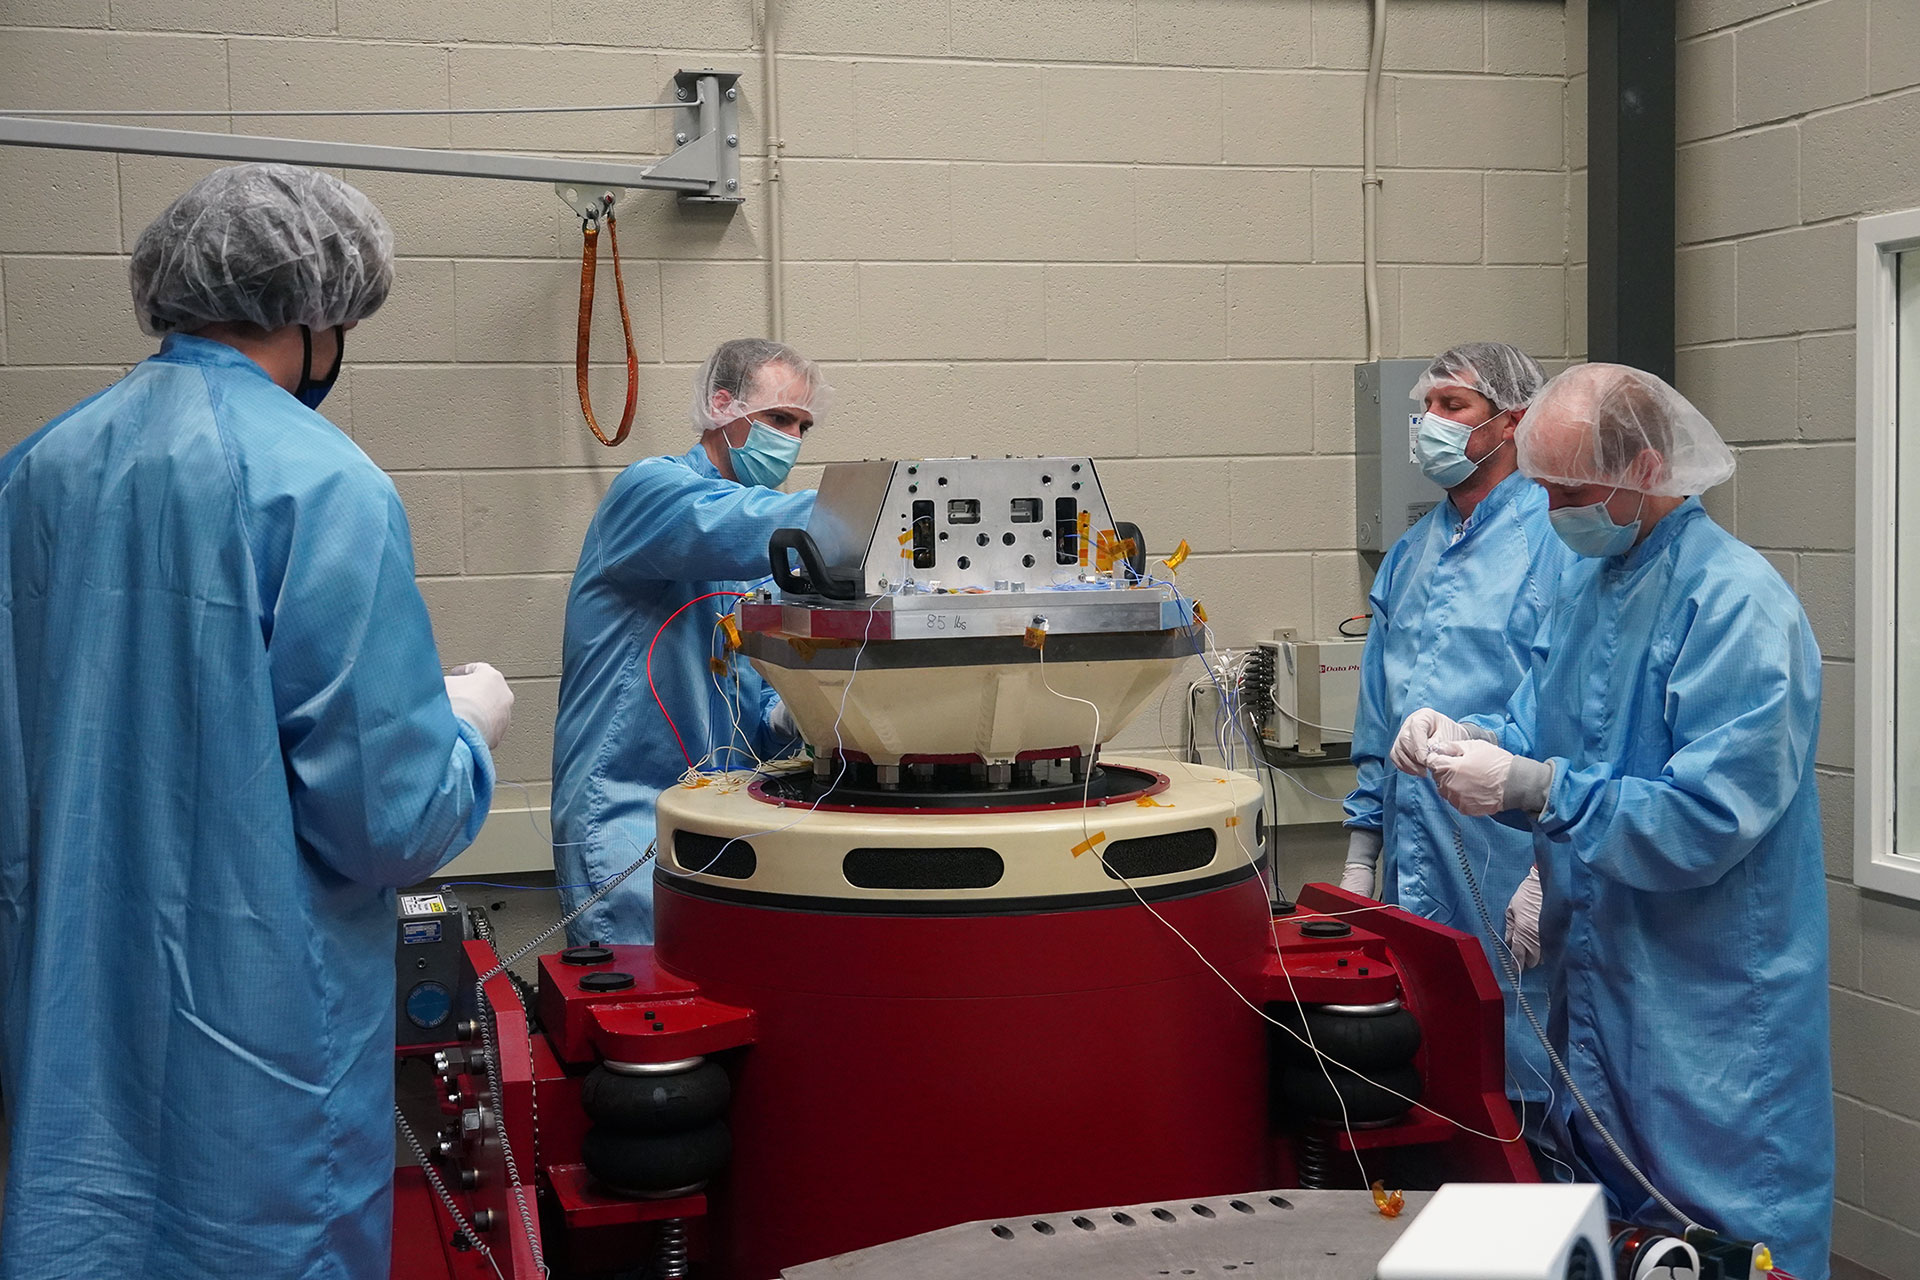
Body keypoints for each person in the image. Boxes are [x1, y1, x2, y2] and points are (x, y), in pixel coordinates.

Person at [0, 164, 513, 1280]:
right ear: (322, 315)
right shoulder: (323, 483)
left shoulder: (39, 468)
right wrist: (465, 728)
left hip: (68, 1007)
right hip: (258, 1041)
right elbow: (388, 818)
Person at [1395, 363, 1832, 1278]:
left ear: (1644, 466)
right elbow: (1537, 733)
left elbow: (1706, 819)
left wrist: (1537, 789)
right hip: (1600, 998)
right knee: (1618, 1242)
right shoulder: (1591, 587)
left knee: (1723, 1247)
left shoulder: (1739, 607)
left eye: (1570, 489)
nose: (1552, 511)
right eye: (1543, 487)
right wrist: (1462, 740)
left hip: (1706, 1019)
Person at [1340, 342, 1574, 1148]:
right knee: (1432, 1078)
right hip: (1418, 856)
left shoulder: (1555, 543)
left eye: (1453, 406)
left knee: (1525, 1080)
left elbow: (1573, 720)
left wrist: (1549, 871)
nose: (1428, 423)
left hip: (1511, 858)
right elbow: (1378, 717)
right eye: (1425, 405)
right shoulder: (1412, 555)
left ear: (1511, 422)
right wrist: (1360, 859)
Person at [552, 338, 828, 945]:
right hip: (631, 812)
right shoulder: (650, 492)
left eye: (803, 425)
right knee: (647, 1019)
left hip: (730, 815)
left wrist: (794, 712)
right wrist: (884, 512)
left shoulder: (759, 553)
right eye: (779, 418)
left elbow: (748, 689)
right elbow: (728, 523)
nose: (792, 439)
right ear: (721, 406)